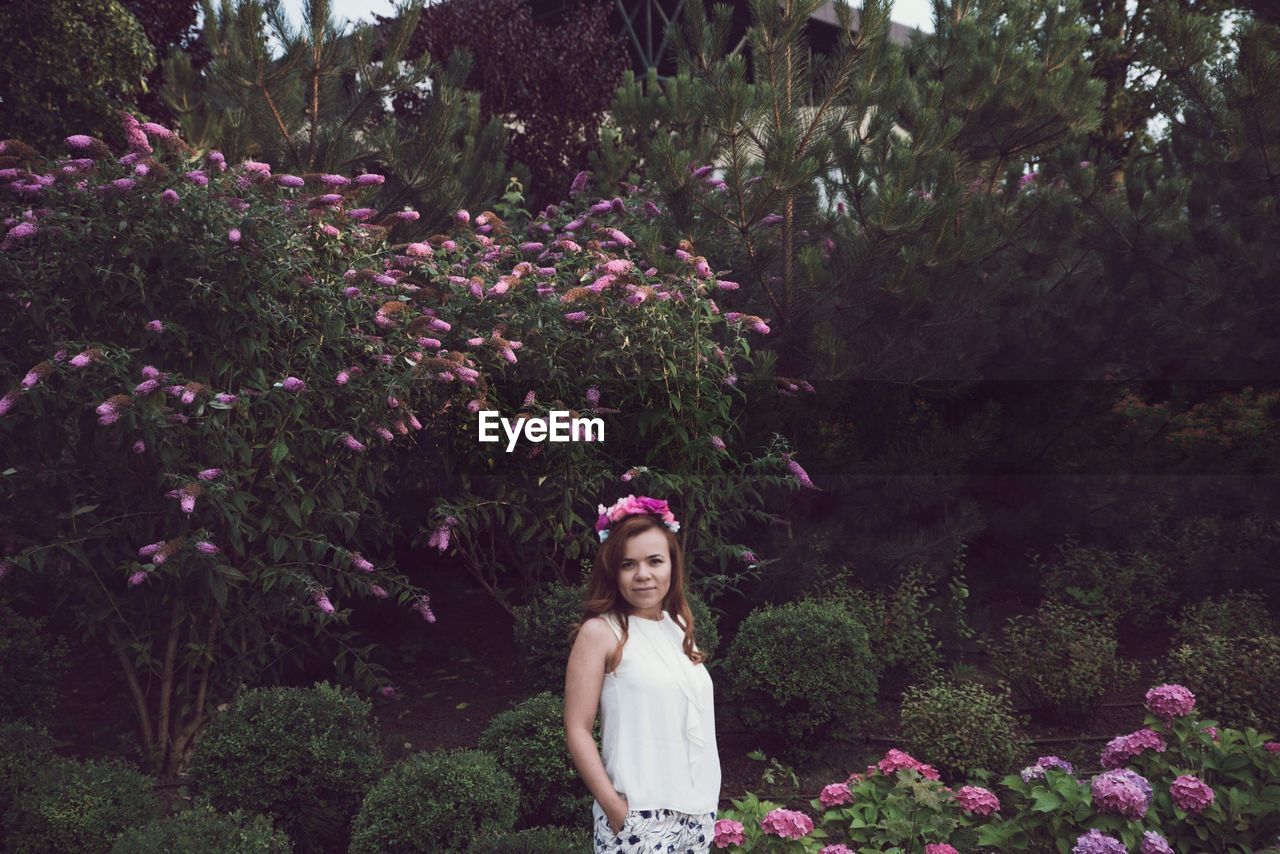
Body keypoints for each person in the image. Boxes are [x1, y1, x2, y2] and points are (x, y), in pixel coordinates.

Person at [564, 495, 721, 854]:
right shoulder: (601, 633)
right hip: (638, 817)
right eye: (628, 564)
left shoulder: (678, 626)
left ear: (672, 566)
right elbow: (577, 728)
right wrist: (616, 809)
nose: (643, 575)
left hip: (697, 814)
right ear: (613, 572)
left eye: (654, 561)